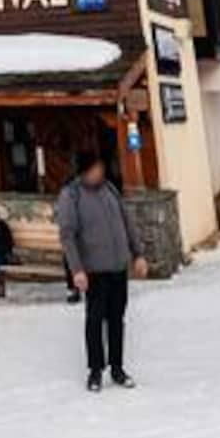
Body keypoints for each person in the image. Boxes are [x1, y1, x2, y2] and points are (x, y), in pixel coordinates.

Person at [55, 152, 149, 391]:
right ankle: (95, 370)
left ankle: (117, 368)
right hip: (94, 270)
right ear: (84, 171)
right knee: (95, 320)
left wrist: (137, 254)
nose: (100, 172)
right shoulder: (72, 195)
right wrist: (77, 269)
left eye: (101, 167)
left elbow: (126, 223)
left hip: (118, 266)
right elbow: (67, 235)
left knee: (117, 319)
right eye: (95, 168)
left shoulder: (110, 189)